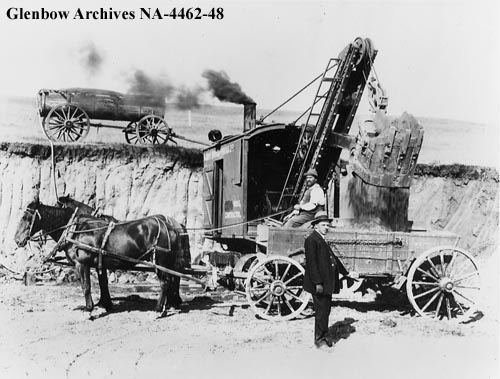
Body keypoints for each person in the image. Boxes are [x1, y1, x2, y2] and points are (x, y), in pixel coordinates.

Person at [303, 211, 348, 348]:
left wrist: (347, 273)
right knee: (321, 312)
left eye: (327, 225)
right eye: (323, 225)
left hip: (325, 283)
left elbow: (333, 260)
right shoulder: (312, 240)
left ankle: (324, 336)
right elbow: (312, 264)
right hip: (319, 284)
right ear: (316, 226)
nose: (326, 227)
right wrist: (318, 283)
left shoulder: (322, 239)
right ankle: (319, 341)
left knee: (326, 310)